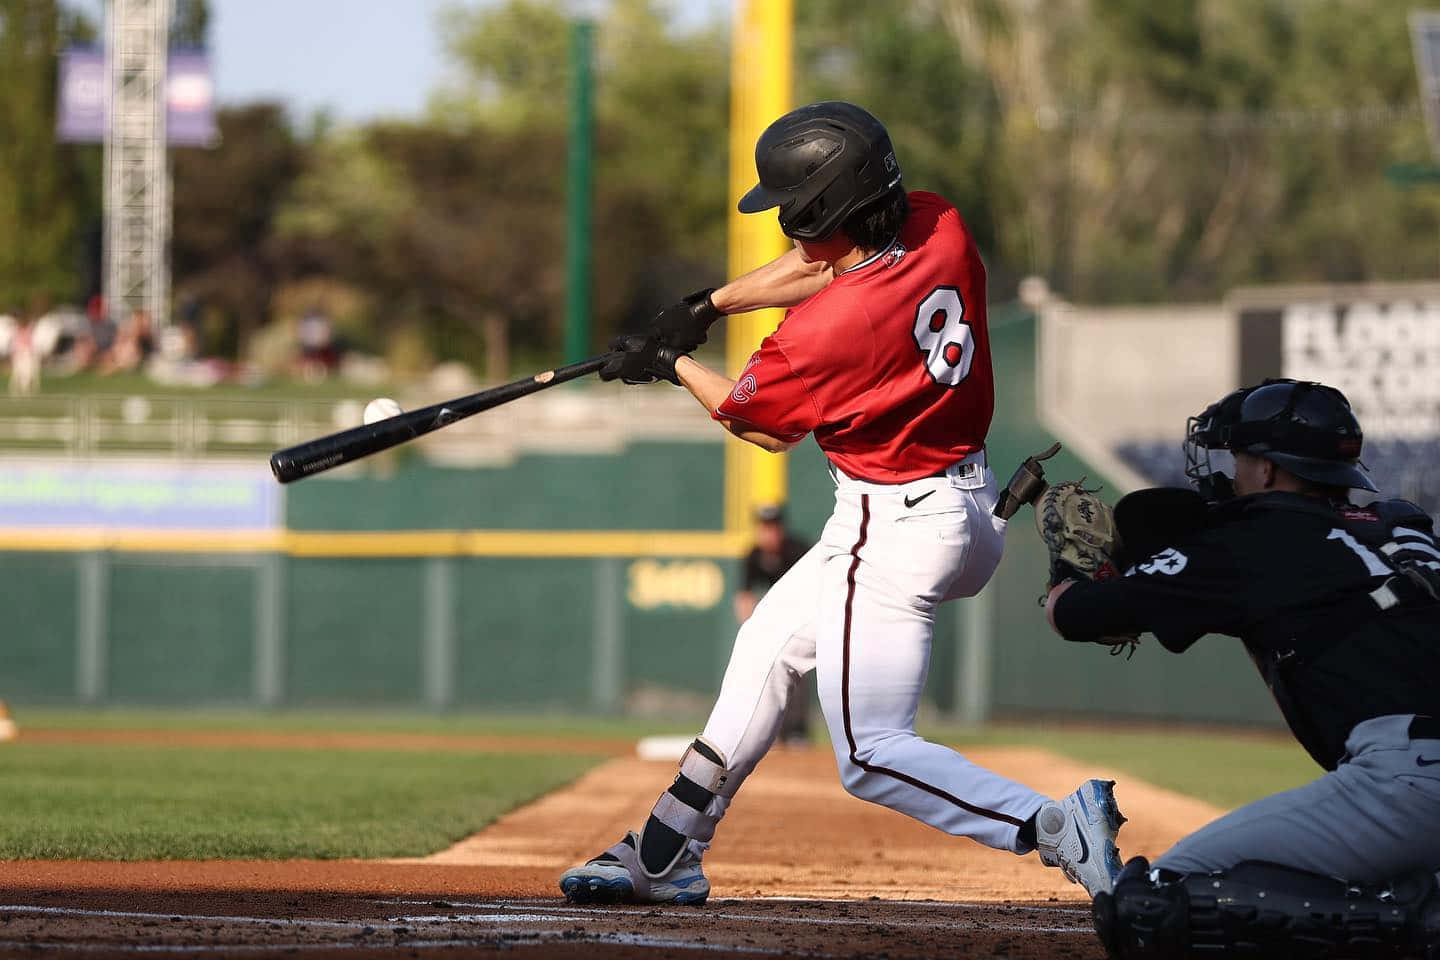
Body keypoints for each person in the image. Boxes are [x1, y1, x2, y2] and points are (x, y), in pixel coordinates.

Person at [559, 100, 1126, 906]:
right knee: (767, 649)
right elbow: (836, 262)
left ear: (822, 208)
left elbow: (758, 428)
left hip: (890, 531)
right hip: (965, 512)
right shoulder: (941, 225)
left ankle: (1053, 827)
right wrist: (711, 305)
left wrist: (670, 364)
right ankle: (663, 852)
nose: (786, 227)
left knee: (870, 752)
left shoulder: (827, 332)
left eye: (793, 211)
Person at [1043, 379, 1440, 959]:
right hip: (1417, 780)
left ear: (1272, 471)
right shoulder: (1402, 527)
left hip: (1412, 781)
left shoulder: (1255, 538)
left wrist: (1070, 568)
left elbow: (1076, 615)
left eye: (1240, 458)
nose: (1231, 472)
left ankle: (1416, 926)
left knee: (1151, 907)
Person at [735, 504, 812, 744]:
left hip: (803, 615)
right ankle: (772, 730)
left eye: (774, 527)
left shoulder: (796, 551)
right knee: (764, 672)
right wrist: (752, 631)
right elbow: (744, 597)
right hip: (775, 618)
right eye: (765, 527)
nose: (770, 532)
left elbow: (814, 590)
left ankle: (797, 730)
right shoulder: (754, 555)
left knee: (797, 670)